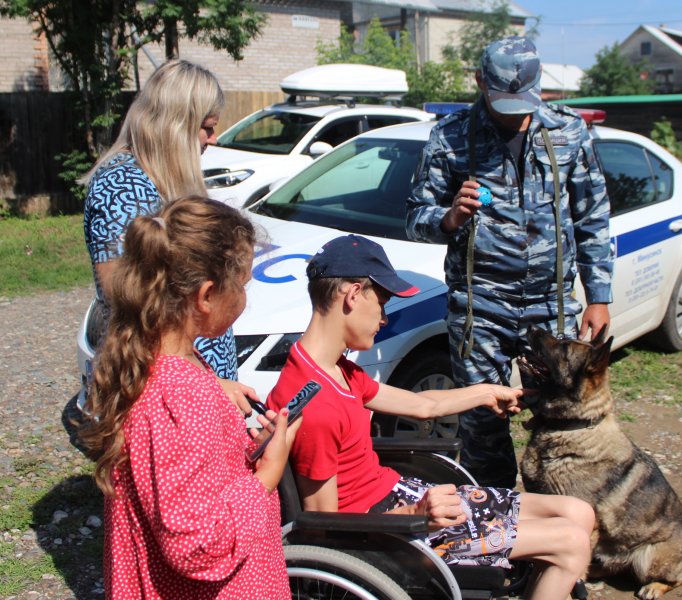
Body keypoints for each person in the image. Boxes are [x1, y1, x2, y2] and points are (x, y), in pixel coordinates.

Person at [267, 234, 594, 600]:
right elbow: (323, 527)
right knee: (571, 542)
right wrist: (416, 513)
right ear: (353, 295)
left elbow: (424, 406)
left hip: (402, 499)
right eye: (382, 303)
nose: (384, 318)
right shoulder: (316, 405)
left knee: (577, 511)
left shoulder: (334, 370)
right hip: (395, 533)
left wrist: (487, 392)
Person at [406, 36, 613, 488]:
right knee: (482, 427)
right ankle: (496, 533)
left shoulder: (569, 131)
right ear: (480, 81)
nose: (517, 111)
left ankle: (560, 523)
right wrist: (448, 217)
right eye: (505, 99)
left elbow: (592, 216)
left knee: (567, 419)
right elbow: (414, 218)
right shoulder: (451, 136)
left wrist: (598, 296)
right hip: (481, 308)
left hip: (552, 304)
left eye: (527, 99)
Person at [80, 197, 298, 599]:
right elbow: (198, 547)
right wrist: (269, 471)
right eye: (243, 286)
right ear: (206, 295)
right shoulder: (182, 394)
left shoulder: (155, 361)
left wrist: (246, 448)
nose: (245, 300)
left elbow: (185, 475)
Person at [82, 59, 240, 384]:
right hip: (169, 387)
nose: (212, 138)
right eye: (206, 127)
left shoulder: (161, 178)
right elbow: (132, 304)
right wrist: (207, 383)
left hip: (195, 384)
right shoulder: (121, 187)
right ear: (175, 124)